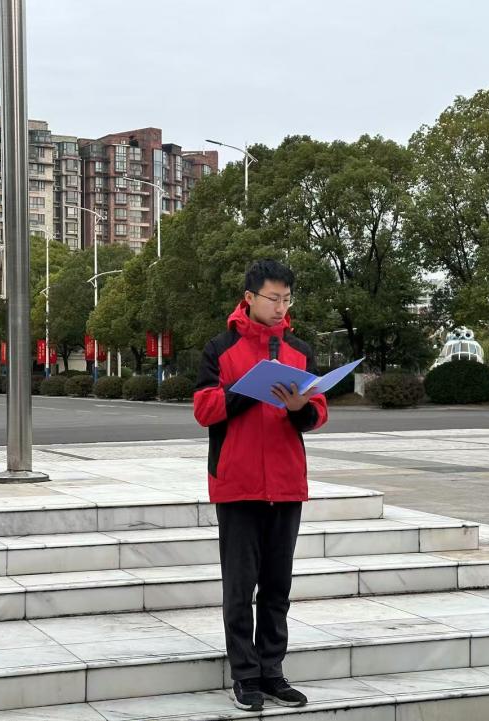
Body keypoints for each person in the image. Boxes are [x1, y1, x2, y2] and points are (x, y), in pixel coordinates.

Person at [193, 258, 328, 711]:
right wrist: (247, 390)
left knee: (277, 586)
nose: (281, 307)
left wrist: (299, 408)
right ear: (249, 298)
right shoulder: (220, 348)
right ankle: (245, 676)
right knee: (240, 587)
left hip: (286, 484)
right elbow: (204, 409)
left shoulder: (300, 351)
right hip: (237, 484)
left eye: (287, 299)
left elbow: (318, 412)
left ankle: (272, 672)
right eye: (273, 298)